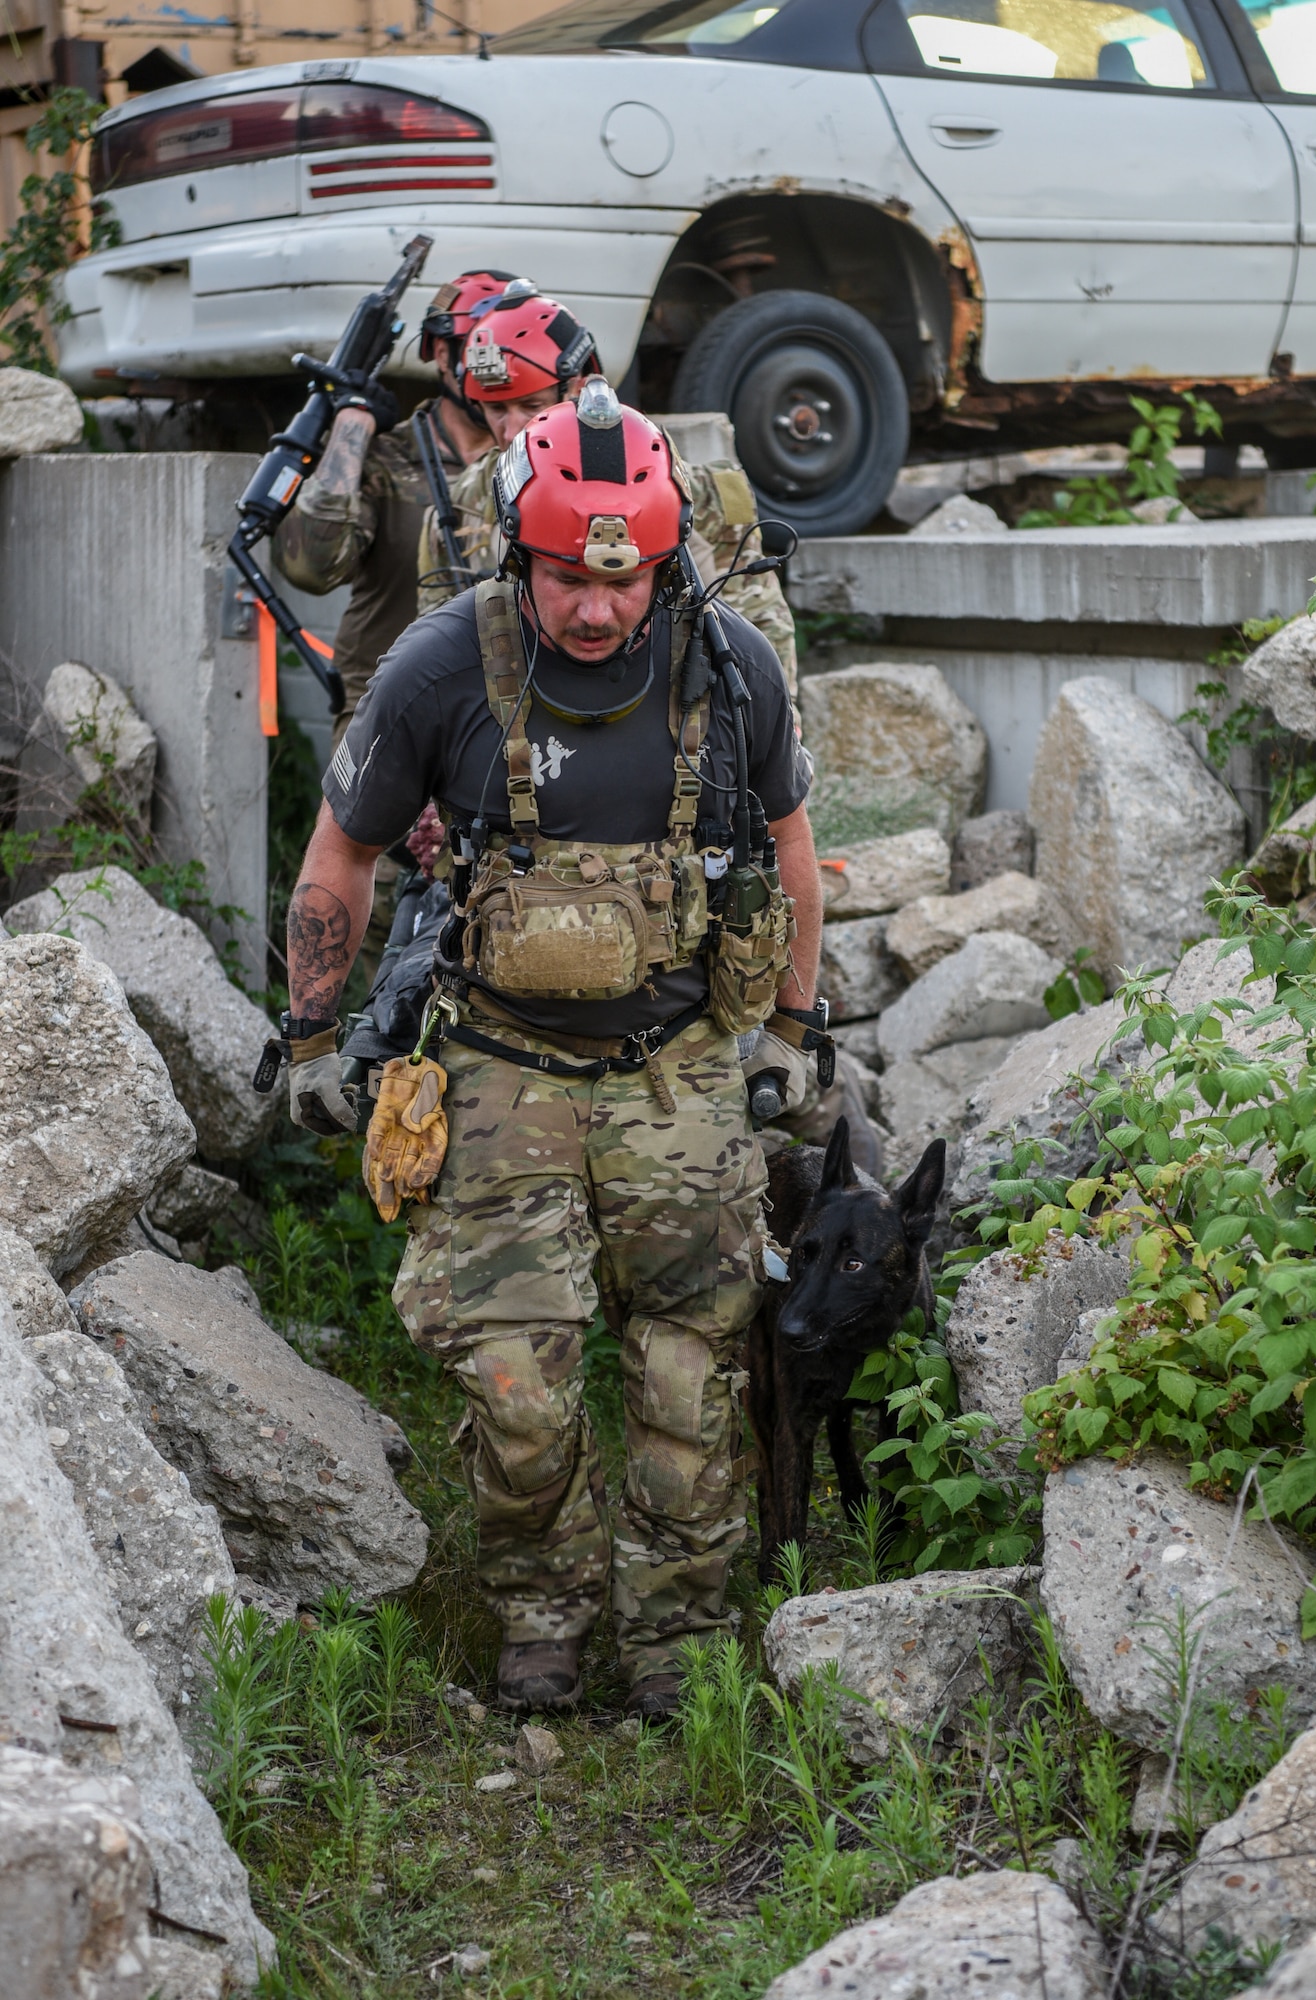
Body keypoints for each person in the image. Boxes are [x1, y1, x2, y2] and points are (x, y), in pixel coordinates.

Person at [279, 379, 822, 1720]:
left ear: (661, 561)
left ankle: (677, 1630)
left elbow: (798, 859)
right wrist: (306, 1035)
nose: (592, 609)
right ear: (515, 553)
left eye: (621, 582)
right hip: (499, 1064)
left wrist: (793, 1036)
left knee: (687, 1373)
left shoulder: (730, 668)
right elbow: (340, 854)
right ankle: (540, 1607)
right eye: (564, 581)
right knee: (518, 1382)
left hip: (677, 1060)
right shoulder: (439, 666)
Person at [271, 268, 521, 982]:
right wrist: (352, 423)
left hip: (511, 735)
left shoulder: (536, 457)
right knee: (368, 959)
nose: (493, 364)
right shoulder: (389, 458)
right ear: (441, 356)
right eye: (477, 346)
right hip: (395, 733)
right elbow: (310, 564)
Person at [417, 289, 800, 703]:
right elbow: (433, 646)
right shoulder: (462, 503)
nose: (510, 431)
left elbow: (757, 619)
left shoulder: (671, 488)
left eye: (530, 405)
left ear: (578, 387)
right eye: (495, 409)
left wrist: (781, 716)